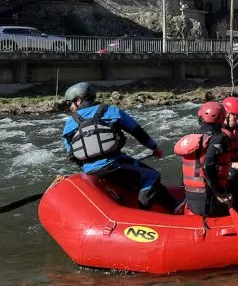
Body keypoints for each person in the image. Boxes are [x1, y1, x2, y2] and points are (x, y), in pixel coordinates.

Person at [61, 82, 179, 213]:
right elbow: (137, 132)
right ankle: (144, 212)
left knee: (132, 169)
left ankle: (171, 205)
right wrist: (155, 148)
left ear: (78, 100)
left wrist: (89, 167)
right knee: (152, 176)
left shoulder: (69, 123)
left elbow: (71, 154)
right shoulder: (111, 111)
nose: (71, 107)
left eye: (70, 103)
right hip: (114, 165)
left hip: (91, 171)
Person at [174, 102, 238, 217]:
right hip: (209, 204)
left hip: (192, 201)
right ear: (222, 118)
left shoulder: (194, 136)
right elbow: (207, 166)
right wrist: (220, 193)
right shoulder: (219, 138)